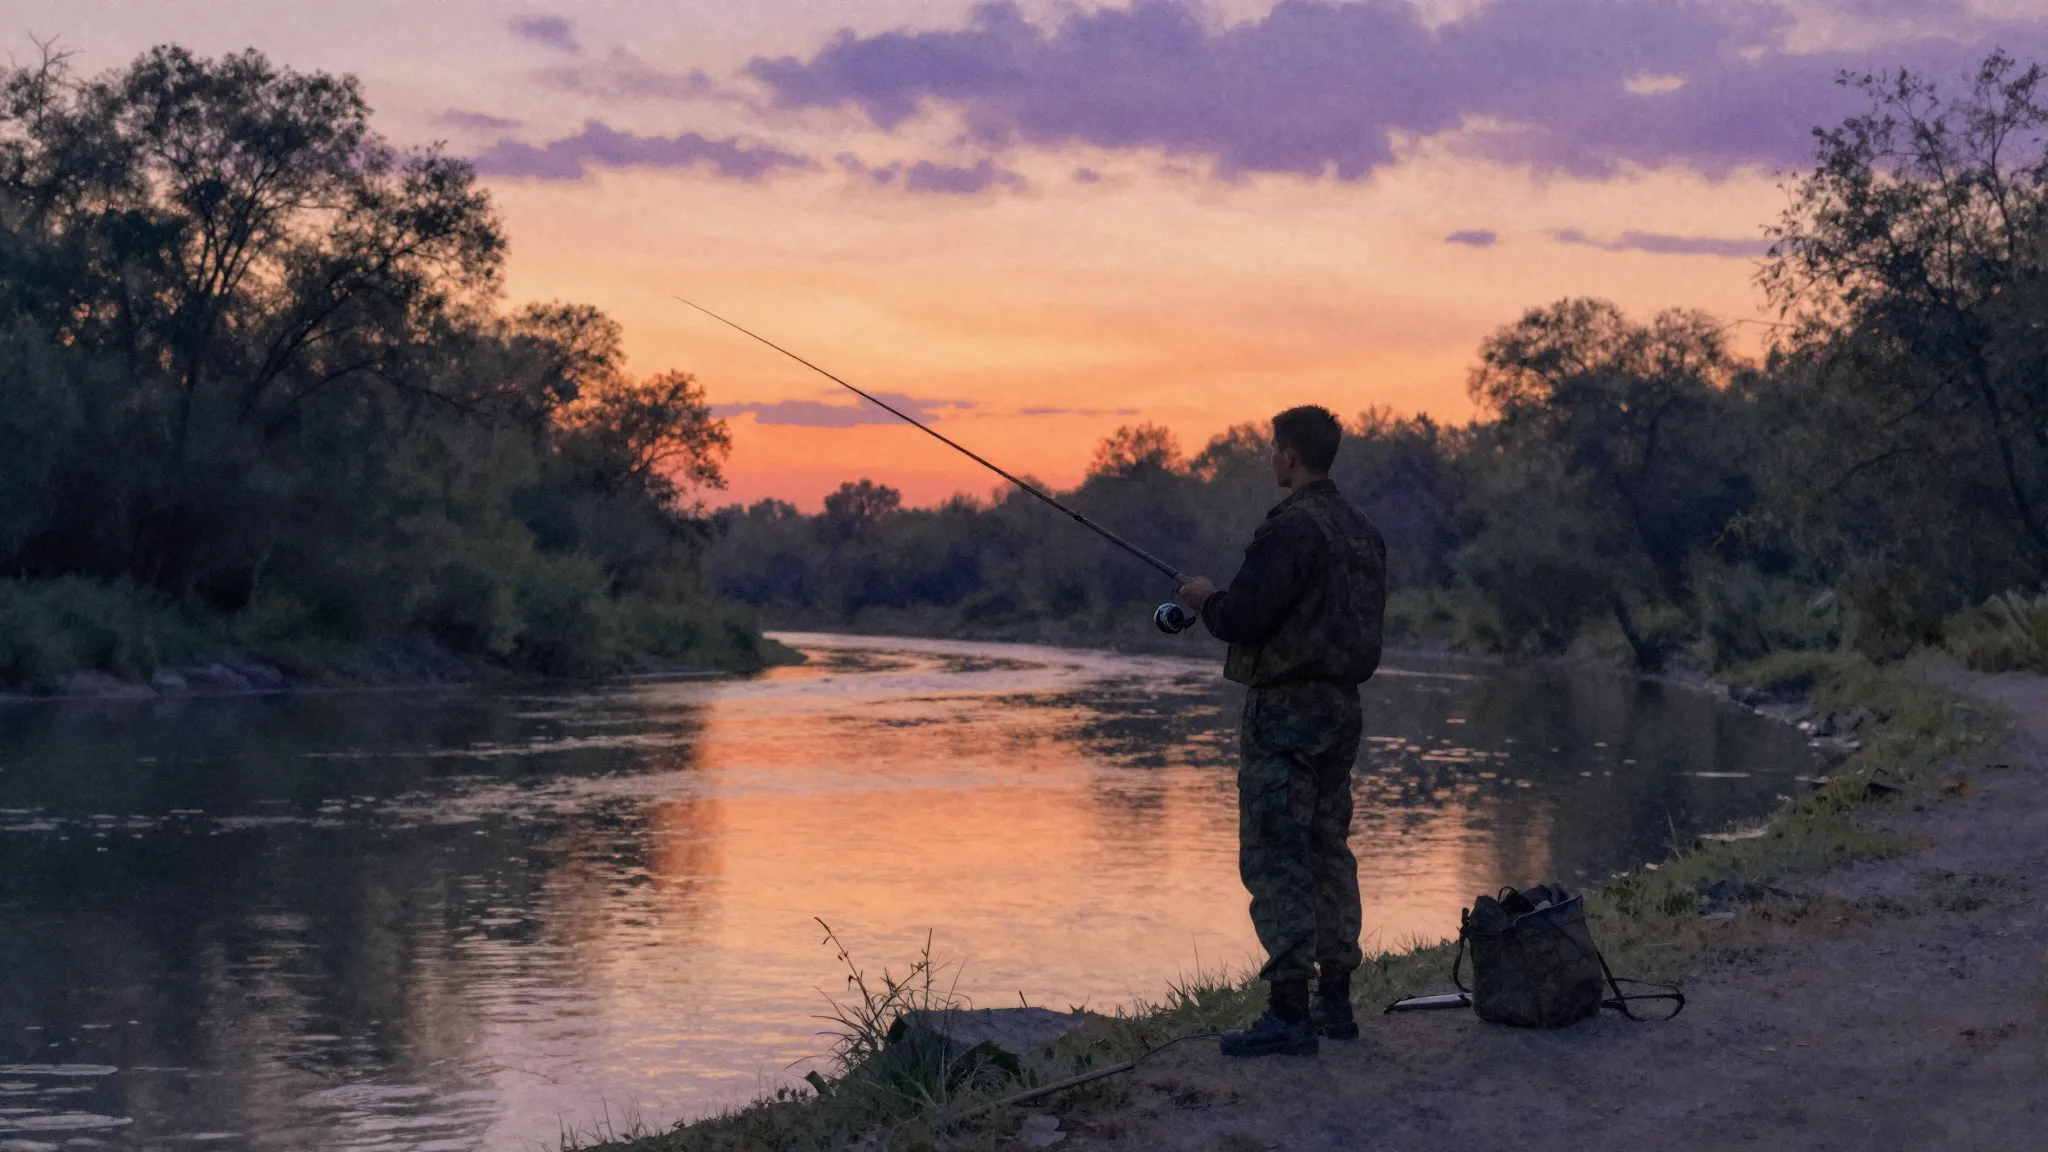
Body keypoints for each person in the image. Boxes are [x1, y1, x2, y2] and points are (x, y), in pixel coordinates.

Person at [1175, 405, 1388, 1058]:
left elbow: (1243, 616)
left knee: (1277, 852)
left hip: (1286, 714)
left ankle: (1290, 1012)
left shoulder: (1291, 530)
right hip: (1342, 711)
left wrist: (1203, 598)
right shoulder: (1363, 533)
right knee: (1329, 847)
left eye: (1274, 450)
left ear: (1290, 457)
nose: (1272, 460)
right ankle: (1337, 1004)